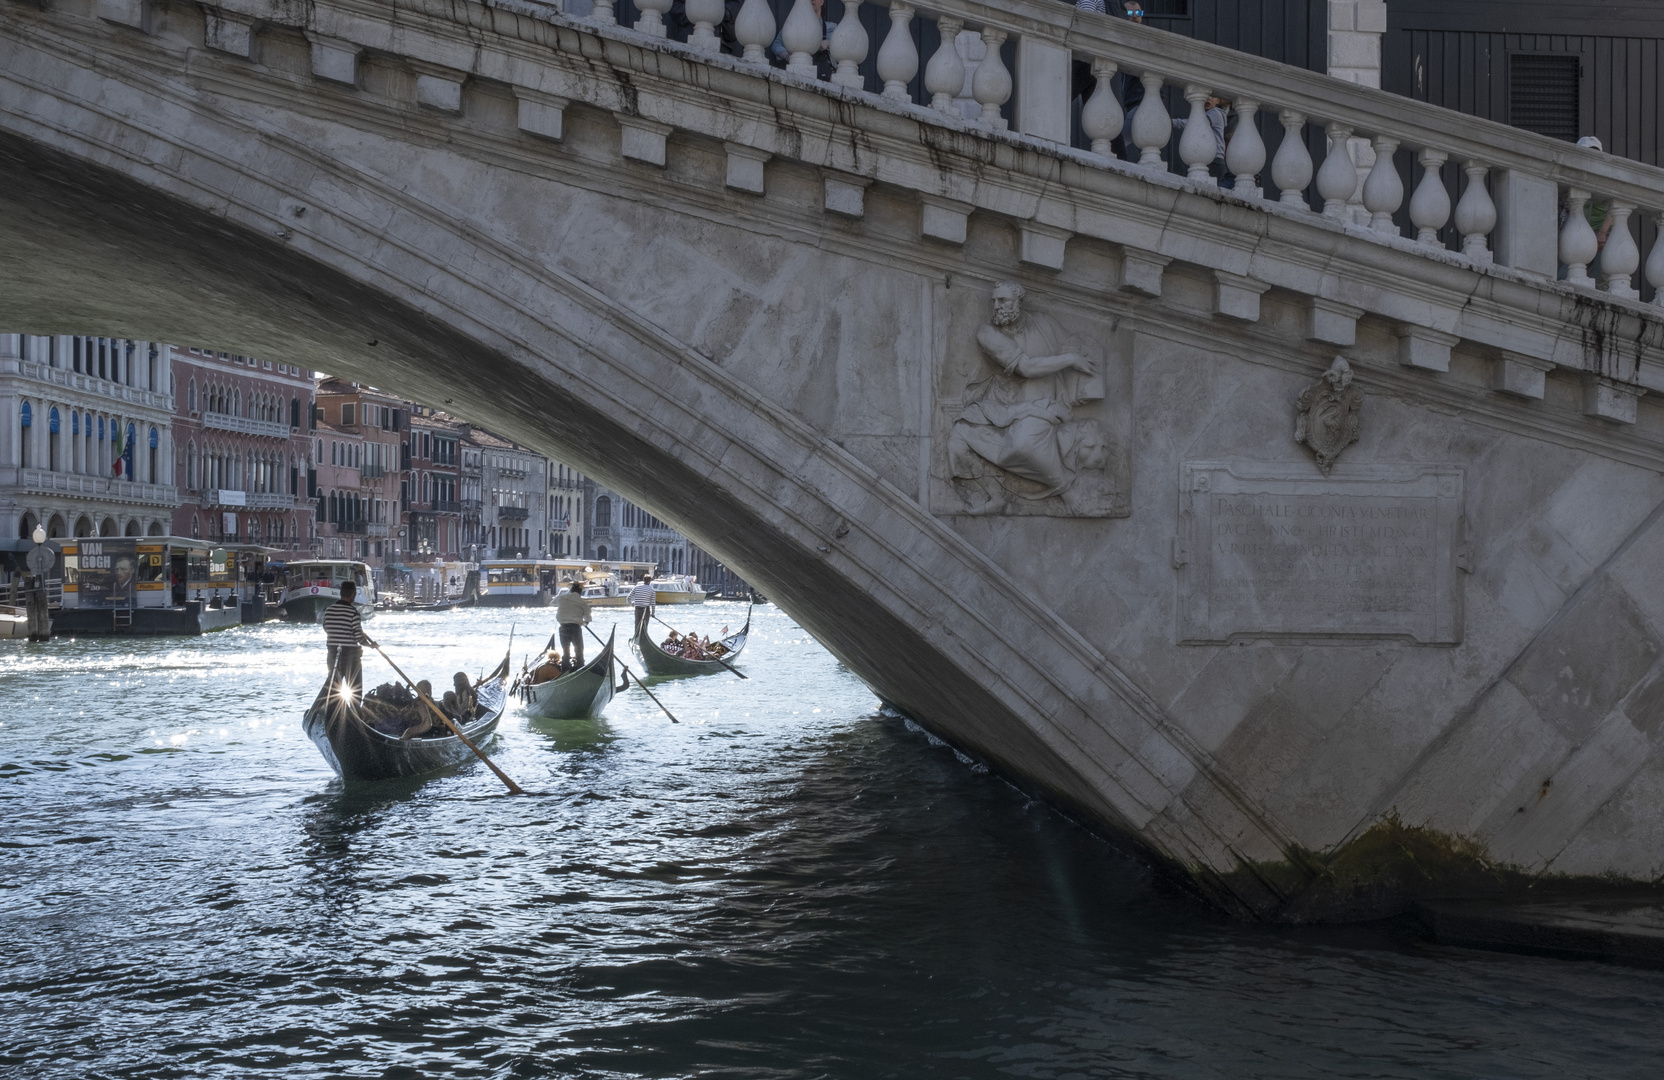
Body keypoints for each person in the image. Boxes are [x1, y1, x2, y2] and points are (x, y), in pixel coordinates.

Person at [323, 580, 375, 706]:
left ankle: (335, 711)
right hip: (351, 655)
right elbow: (358, 637)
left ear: (341, 593)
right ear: (353, 594)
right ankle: (354, 712)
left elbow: (326, 628)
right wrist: (371, 645)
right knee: (355, 688)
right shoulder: (353, 613)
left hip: (333, 652)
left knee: (335, 686)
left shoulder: (328, 611)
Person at [554, 578, 591, 668]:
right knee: (579, 650)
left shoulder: (562, 598)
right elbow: (588, 618)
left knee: (566, 651)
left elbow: (553, 602)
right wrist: (585, 623)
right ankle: (580, 666)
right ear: (580, 591)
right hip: (575, 628)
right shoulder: (582, 602)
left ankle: (565, 668)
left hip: (563, 627)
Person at [631, 573, 656, 638]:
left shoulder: (636, 587)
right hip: (646, 610)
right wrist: (653, 613)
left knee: (637, 626)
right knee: (644, 627)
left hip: (637, 608)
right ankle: (643, 638)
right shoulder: (652, 590)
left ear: (643, 580)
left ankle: (636, 638)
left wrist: (632, 602)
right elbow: (653, 604)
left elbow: (628, 598)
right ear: (650, 581)